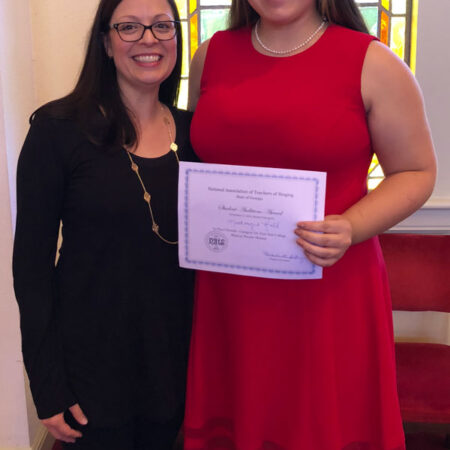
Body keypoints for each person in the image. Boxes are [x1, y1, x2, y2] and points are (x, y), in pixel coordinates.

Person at [183, 0, 437, 449]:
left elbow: (416, 171)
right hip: (230, 290)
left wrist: (351, 227)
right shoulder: (211, 55)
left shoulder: (373, 62)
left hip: (328, 287)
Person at [13, 0, 197, 448]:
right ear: (106, 43)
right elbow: (31, 270)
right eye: (129, 27)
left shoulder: (196, 134)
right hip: (91, 372)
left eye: (162, 26)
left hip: (175, 364)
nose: (149, 39)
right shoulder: (57, 130)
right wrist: (47, 383)